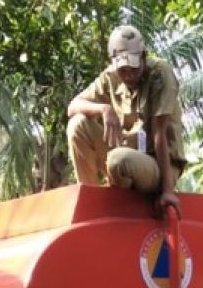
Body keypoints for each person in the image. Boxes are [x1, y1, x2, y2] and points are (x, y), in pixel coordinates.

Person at [66, 25, 186, 213]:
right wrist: (104, 109)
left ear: (143, 57)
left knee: (119, 159)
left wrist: (168, 191)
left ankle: (120, 207)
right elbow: (73, 106)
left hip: (158, 166)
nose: (128, 75)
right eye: (123, 71)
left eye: (133, 69)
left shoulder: (160, 74)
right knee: (77, 125)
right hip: (124, 156)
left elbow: (159, 134)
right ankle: (91, 201)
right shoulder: (110, 77)